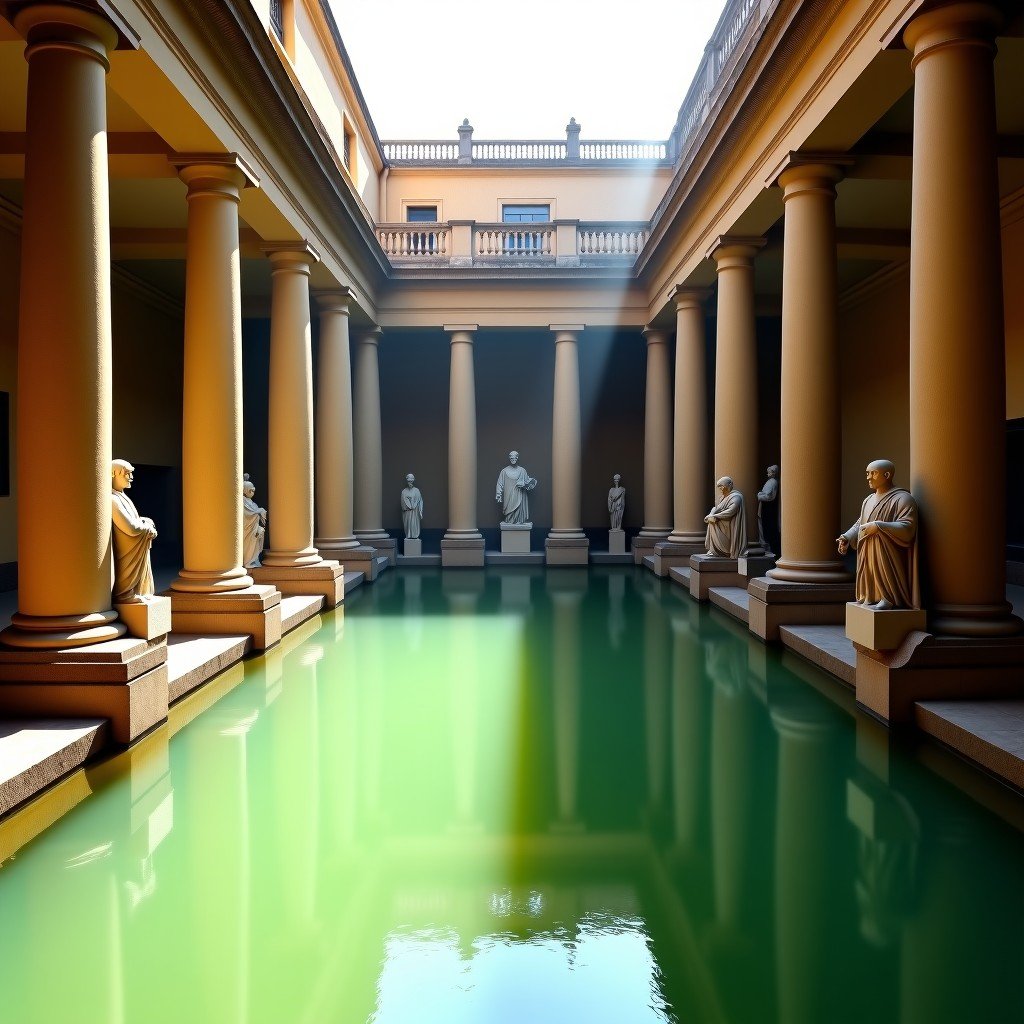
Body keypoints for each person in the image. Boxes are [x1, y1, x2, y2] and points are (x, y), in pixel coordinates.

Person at [837, 459, 918, 610]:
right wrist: (847, 536)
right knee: (870, 574)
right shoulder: (868, 500)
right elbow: (860, 522)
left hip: (887, 553)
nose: (868, 477)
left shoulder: (903, 498)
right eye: (867, 473)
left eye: (873, 473)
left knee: (884, 574)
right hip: (867, 550)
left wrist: (878, 526)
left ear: (887, 475)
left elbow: (908, 527)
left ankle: (888, 597)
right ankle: (872, 595)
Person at [111, 459, 157, 603]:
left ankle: (137, 591)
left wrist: (144, 520)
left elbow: (133, 520)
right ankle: (125, 594)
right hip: (127, 550)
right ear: (114, 474)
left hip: (133, 548)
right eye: (127, 474)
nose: (131, 477)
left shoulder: (121, 496)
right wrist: (148, 527)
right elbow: (130, 528)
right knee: (126, 575)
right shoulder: (113, 499)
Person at [704, 476, 746, 558]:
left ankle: (724, 550)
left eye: (722, 486)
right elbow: (716, 508)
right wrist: (711, 514)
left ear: (729, 485)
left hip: (729, 526)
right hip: (722, 523)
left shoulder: (736, 497)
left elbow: (731, 511)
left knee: (712, 521)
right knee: (711, 521)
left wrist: (715, 516)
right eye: (719, 487)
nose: (721, 489)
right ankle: (715, 549)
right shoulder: (723, 497)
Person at [495, 450, 537, 525]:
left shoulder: (522, 470)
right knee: (508, 513)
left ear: (517, 458)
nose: (513, 460)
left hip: (520, 495)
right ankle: (509, 521)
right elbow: (500, 483)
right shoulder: (504, 471)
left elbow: (528, 482)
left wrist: (523, 484)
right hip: (508, 495)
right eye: (511, 458)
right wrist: (498, 494)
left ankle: (519, 521)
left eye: (514, 458)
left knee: (519, 510)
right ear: (509, 458)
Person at [242, 473, 267, 568]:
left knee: (254, 545)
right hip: (248, 530)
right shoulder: (243, 501)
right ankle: (248, 561)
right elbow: (247, 514)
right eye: (250, 490)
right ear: (245, 491)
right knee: (249, 546)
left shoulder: (250, 502)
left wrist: (259, 512)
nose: (253, 492)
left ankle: (253, 561)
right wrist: (259, 512)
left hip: (254, 529)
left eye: (253, 490)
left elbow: (254, 511)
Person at [756, 464, 780, 555]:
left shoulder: (772, 482)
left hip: (768, 509)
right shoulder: (771, 481)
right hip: (766, 508)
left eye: (769, 472)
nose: (767, 473)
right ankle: (766, 546)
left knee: (767, 528)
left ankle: (768, 548)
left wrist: (759, 495)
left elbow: (768, 496)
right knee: (765, 527)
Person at [401, 473, 423, 539]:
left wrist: (420, 511)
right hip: (407, 512)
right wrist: (408, 506)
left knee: (414, 524)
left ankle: (414, 535)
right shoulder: (404, 491)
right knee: (407, 524)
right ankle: (408, 535)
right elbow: (403, 503)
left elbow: (420, 501)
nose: (410, 482)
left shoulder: (417, 490)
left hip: (415, 512)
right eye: (409, 480)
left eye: (411, 480)